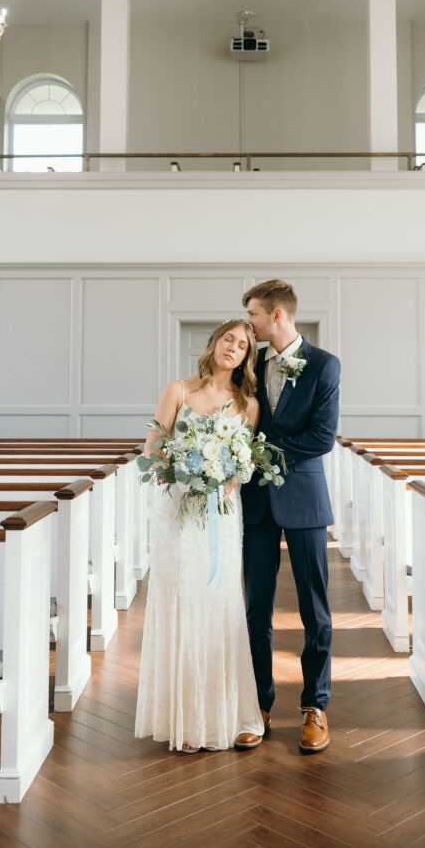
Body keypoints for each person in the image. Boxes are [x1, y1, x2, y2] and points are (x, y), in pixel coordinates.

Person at [134, 319, 265, 753]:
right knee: (179, 600)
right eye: (229, 339)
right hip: (177, 512)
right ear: (214, 343)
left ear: (247, 357)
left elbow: (244, 465)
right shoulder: (178, 390)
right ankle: (182, 719)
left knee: (221, 600)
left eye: (243, 345)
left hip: (221, 517)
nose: (234, 348)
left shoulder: (247, 404)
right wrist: (184, 467)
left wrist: (228, 476)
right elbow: (152, 449)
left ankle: (228, 715)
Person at [238, 279, 340, 753]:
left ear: (277, 314)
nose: (250, 323)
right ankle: (259, 704)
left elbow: (322, 437)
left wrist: (262, 454)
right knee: (257, 607)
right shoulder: (250, 364)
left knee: (313, 609)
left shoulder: (324, 365)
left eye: (255, 315)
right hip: (257, 502)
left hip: (303, 498)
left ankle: (315, 706)